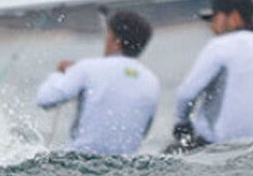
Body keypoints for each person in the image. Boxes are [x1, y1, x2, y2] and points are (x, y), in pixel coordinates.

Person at [169, 0, 253, 152]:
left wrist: (182, 123)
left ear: (234, 17)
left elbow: (186, 94)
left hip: (218, 148)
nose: (211, 26)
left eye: (215, 19)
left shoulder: (221, 45)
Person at [35, 11, 161, 156]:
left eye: (108, 34)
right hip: (126, 166)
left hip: (81, 162)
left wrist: (58, 74)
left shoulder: (87, 67)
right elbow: (142, 132)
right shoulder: (152, 82)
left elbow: (44, 99)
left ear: (117, 41)